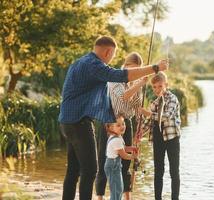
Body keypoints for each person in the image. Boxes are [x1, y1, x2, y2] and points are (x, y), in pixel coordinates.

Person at [58, 35, 168, 200]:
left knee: (73, 170)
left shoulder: (80, 62)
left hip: (66, 121)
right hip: (79, 123)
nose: (111, 59)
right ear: (108, 51)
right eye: (113, 55)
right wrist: (155, 68)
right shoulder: (94, 64)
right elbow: (121, 76)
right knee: (90, 171)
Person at [96, 52, 147, 200]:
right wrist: (139, 84)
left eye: (138, 70)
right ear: (125, 66)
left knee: (126, 161)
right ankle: (99, 196)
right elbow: (124, 96)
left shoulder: (136, 82)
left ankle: (127, 196)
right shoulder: (115, 76)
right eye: (132, 69)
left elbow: (137, 105)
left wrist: (140, 127)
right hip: (110, 120)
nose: (134, 73)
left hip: (127, 121)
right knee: (103, 158)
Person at [139, 72, 181, 200]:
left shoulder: (173, 99)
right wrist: (140, 132)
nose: (157, 89)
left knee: (174, 171)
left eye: (160, 86)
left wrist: (147, 113)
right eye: (154, 87)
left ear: (166, 85)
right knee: (158, 171)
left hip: (171, 138)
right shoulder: (154, 103)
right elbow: (148, 123)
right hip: (157, 139)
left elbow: (165, 116)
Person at [104, 115, 138, 200]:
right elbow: (124, 155)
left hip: (114, 165)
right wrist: (133, 156)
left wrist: (131, 148)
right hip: (113, 166)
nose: (122, 126)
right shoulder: (116, 140)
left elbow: (123, 148)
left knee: (118, 188)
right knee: (116, 190)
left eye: (123, 124)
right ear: (111, 128)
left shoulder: (117, 137)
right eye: (118, 125)